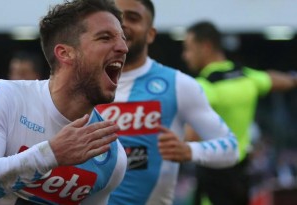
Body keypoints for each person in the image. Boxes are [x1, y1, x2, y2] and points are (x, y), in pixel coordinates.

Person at [0, 0, 128, 204]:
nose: (123, 48)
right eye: (105, 37)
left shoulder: (111, 156)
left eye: (123, 39)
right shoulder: (3, 96)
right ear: (65, 53)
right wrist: (51, 154)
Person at [95, 0, 239, 204]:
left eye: (133, 18)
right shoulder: (83, 83)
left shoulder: (179, 84)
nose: (122, 24)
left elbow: (231, 148)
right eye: (116, 18)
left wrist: (189, 151)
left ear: (151, 33)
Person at [182, 21, 297, 205]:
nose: (185, 56)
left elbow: (189, 136)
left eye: (188, 48)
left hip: (214, 181)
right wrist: (293, 78)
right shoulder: (246, 77)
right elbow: (276, 80)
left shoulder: (203, 87)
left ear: (206, 46)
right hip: (241, 176)